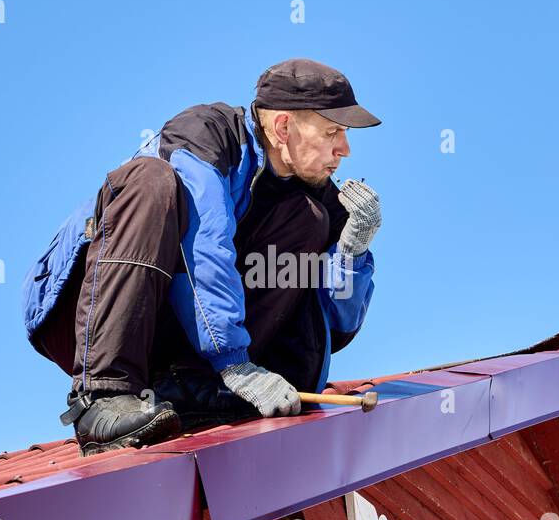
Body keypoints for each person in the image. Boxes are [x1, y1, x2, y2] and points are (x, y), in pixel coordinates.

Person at [22, 57, 383, 455]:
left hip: (187, 338)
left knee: (309, 219)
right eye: (333, 131)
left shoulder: (318, 200)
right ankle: (104, 397)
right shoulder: (205, 135)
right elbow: (205, 249)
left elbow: (334, 326)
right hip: (83, 312)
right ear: (282, 128)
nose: (345, 149)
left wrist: (351, 251)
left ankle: (194, 389)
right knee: (151, 181)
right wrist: (234, 362)